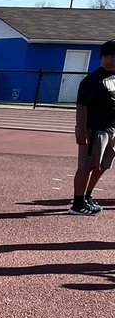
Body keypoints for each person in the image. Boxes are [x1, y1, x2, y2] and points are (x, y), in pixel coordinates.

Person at [70, 40, 115, 216]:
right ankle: (77, 204)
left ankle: (87, 196)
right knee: (86, 166)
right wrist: (81, 129)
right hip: (94, 129)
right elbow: (82, 106)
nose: (109, 60)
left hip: (111, 129)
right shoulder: (93, 80)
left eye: (113, 57)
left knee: (102, 166)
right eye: (106, 56)